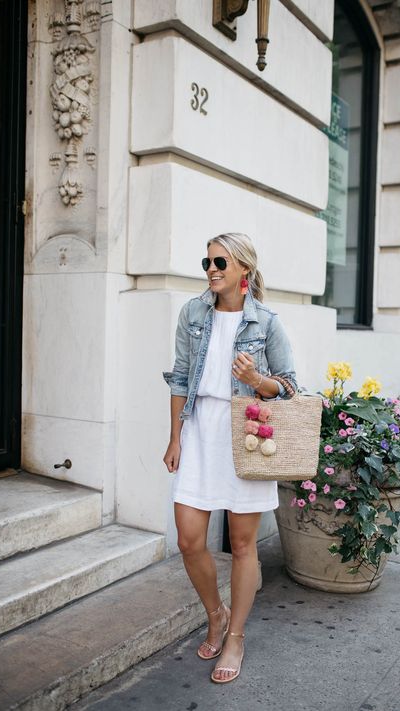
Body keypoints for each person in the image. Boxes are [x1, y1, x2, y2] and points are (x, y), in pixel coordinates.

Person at [162, 232, 297, 684]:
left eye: (220, 261)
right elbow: (180, 378)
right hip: (201, 431)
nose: (211, 269)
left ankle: (235, 635)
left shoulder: (267, 322)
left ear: (244, 269)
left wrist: (257, 379)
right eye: (207, 262)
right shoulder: (192, 313)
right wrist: (175, 436)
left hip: (248, 434)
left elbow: (291, 387)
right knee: (189, 539)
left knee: (242, 544)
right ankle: (215, 613)